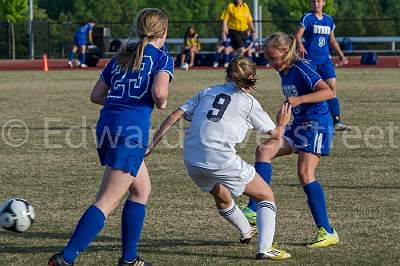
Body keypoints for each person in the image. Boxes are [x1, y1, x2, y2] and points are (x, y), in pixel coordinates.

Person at [48, 8, 173, 266]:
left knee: (141, 190)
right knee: (107, 200)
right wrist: (159, 102)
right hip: (130, 132)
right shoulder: (161, 58)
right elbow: (160, 94)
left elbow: (96, 95)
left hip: (106, 128)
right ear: (164, 32)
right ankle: (66, 258)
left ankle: (129, 259)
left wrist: (122, 99)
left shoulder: (121, 56)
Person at [146, 56, 292, 260]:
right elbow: (276, 134)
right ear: (251, 77)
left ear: (228, 74)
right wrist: (283, 122)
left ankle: (246, 231)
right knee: (266, 196)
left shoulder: (208, 91)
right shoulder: (249, 102)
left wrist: (152, 144)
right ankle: (265, 248)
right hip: (219, 158)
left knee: (222, 196)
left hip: (191, 158)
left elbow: (174, 116)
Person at [242, 32, 339, 249]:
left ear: (286, 52)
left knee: (305, 173)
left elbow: (328, 92)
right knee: (263, 151)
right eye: (268, 59)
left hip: (317, 124)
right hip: (300, 125)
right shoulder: (284, 70)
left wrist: (299, 100)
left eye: (274, 58)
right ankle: (253, 208)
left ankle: (327, 231)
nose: (271, 63)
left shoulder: (300, 68)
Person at [295, 0, 349, 131]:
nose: (316, 4)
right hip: (310, 61)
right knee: (312, 90)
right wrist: (300, 45)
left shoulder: (329, 19)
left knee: (331, 89)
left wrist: (341, 54)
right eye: (313, 1)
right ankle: (310, 119)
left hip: (325, 60)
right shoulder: (307, 18)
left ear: (323, 3)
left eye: (319, 1)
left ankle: (336, 121)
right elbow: (297, 35)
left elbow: (332, 40)